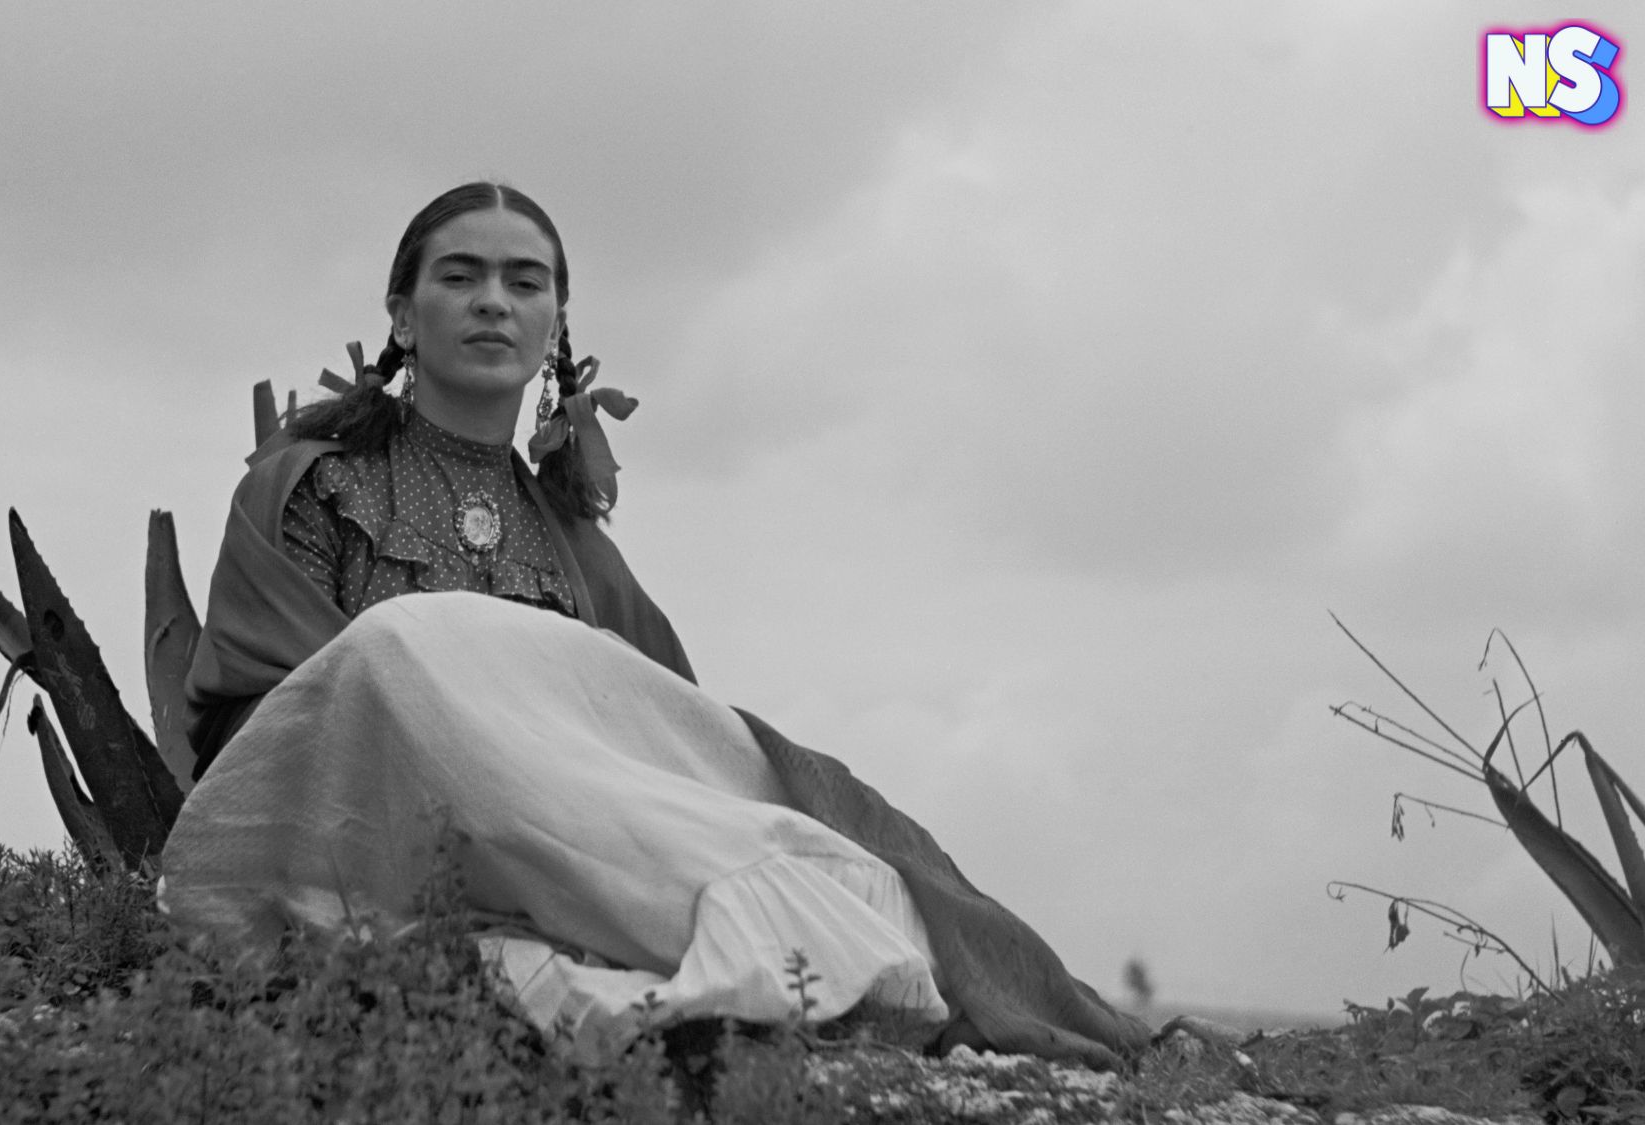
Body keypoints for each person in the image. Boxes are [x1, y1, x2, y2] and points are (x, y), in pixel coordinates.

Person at [160, 182, 1149, 1068]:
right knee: (397, 645)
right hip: (364, 839)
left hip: (557, 852)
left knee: (849, 880)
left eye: (524, 282)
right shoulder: (312, 485)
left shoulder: (574, 542)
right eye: (459, 277)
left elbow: (650, 746)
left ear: (554, 325)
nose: (493, 301)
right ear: (402, 317)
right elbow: (272, 724)